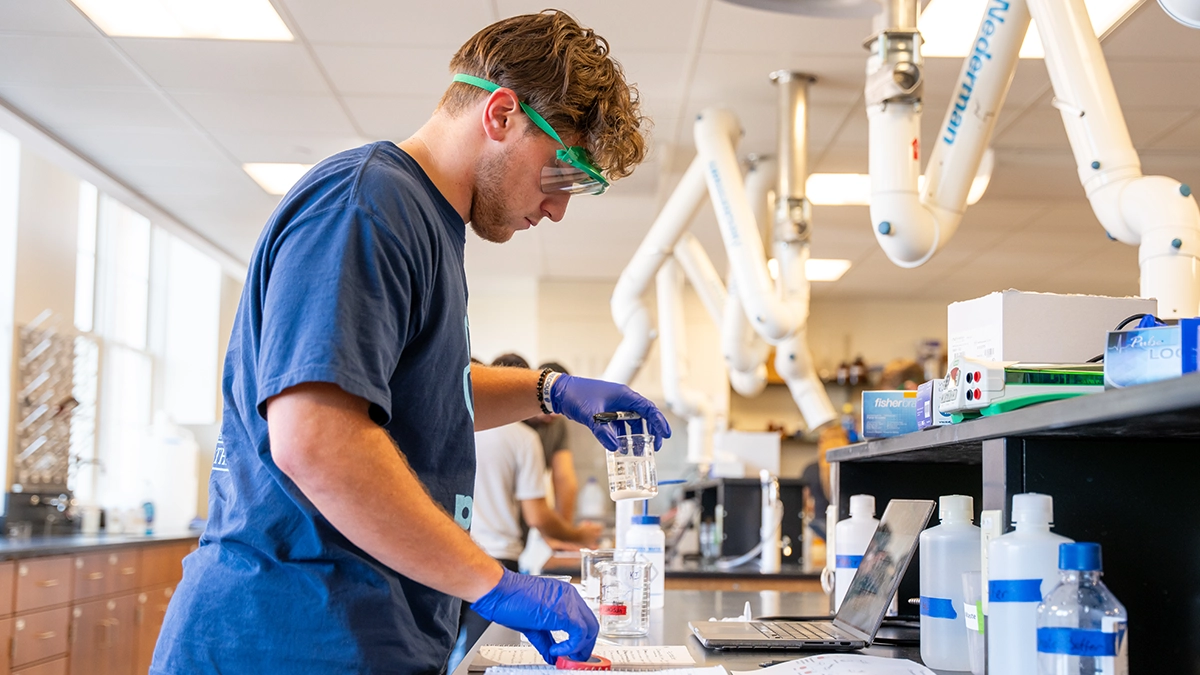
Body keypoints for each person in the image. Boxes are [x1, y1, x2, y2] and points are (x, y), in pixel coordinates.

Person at [151, 11, 668, 675]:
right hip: (288, 635)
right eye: (562, 172)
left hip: (353, 633)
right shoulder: (367, 205)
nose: (558, 208)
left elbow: (425, 385)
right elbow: (315, 437)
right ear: (501, 115)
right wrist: (494, 582)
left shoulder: (425, 222)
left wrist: (551, 390)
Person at [454, 354, 602, 667]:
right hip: (497, 562)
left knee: (445, 657)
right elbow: (543, 509)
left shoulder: (455, 428)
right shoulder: (524, 439)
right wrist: (574, 534)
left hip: (449, 557)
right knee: (484, 661)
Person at [523, 361, 579, 524]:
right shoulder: (512, 423)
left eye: (560, 404)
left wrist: (565, 533)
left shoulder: (557, 424)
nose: (554, 413)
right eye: (549, 402)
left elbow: (564, 479)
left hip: (534, 510)